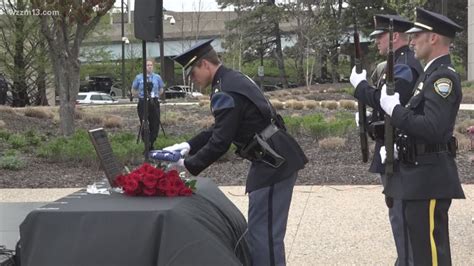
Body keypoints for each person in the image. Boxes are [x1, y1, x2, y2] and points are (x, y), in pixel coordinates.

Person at [163, 39, 308, 266]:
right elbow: (221, 128)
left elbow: (221, 141)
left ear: (205, 65)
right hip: (274, 158)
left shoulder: (224, 91)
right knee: (264, 234)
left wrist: (187, 165)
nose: (192, 80)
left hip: (271, 164)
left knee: (264, 237)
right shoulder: (233, 79)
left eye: (193, 73)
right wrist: (189, 145)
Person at [379, 8, 465, 265]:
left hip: (429, 179)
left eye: (417, 35)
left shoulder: (443, 78)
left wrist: (394, 110)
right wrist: (398, 145)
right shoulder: (429, 74)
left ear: (434, 38)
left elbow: (433, 128)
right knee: (416, 253)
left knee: (429, 256)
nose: (412, 40)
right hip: (418, 176)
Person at [349, 14, 423, 265]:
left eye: (379, 37)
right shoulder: (399, 63)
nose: (376, 42)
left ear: (394, 37)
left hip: (398, 150)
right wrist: (370, 120)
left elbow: (392, 100)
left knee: (401, 216)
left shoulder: (404, 64)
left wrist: (361, 88)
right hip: (390, 145)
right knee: (399, 215)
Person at [131, 59, 164, 150]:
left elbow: (161, 89)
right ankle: (146, 142)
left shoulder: (157, 77)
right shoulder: (139, 77)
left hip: (154, 101)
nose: (149, 67)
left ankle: (152, 142)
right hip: (143, 101)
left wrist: (156, 96)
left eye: (151, 65)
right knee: (144, 122)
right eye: (147, 65)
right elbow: (133, 90)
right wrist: (140, 96)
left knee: (155, 122)